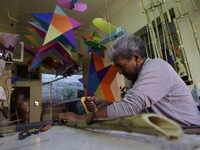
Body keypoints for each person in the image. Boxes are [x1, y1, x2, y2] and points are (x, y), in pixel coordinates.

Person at [58, 33, 200, 126]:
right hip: (172, 132)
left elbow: (129, 108)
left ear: (136, 58)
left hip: (190, 133)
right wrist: (104, 104)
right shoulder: (138, 77)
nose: (119, 72)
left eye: (121, 66)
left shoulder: (157, 67)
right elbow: (134, 107)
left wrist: (78, 119)